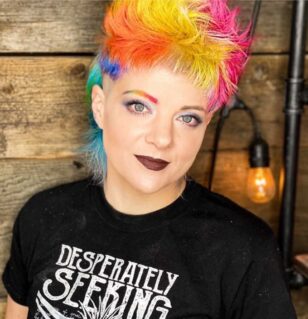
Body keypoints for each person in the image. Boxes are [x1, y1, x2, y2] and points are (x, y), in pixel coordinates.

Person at [2, 0, 298, 318]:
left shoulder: (244, 251)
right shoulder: (43, 217)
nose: (162, 138)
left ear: (206, 123)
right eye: (140, 107)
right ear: (100, 107)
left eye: (188, 118)